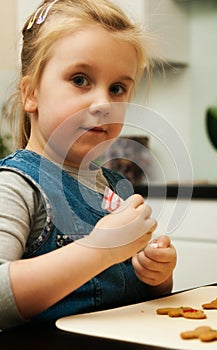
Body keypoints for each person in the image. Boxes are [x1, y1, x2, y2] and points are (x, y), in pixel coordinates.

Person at [0, 0, 177, 329]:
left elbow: (130, 294)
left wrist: (156, 275)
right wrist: (99, 249)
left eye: (117, 88)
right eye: (80, 79)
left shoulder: (111, 188)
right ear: (31, 94)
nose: (102, 103)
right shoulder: (14, 186)